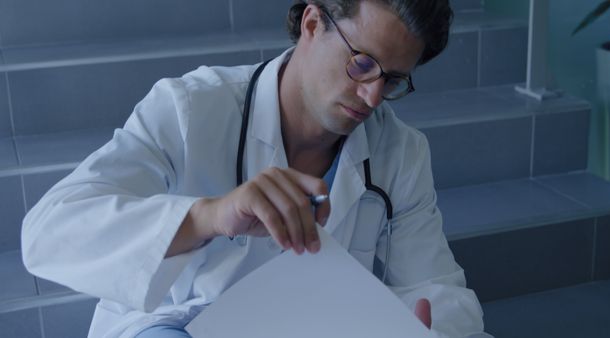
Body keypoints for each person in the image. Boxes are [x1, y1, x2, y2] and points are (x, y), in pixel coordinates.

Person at [22, 0, 488, 337]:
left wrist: (422, 329)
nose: (371, 96)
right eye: (362, 64)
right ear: (312, 22)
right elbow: (48, 232)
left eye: (393, 80)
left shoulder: (401, 151)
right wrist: (208, 217)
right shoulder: (189, 108)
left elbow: (437, 288)